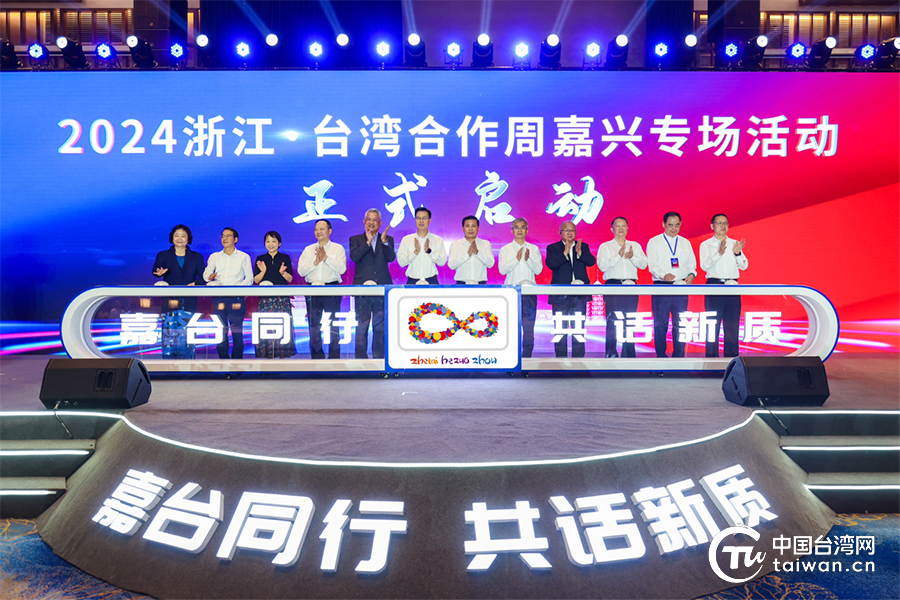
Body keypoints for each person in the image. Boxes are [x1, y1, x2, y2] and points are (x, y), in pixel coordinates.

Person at [646, 212, 697, 358]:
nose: (674, 228)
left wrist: (691, 275)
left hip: (681, 287)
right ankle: (661, 357)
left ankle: (679, 357)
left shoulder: (685, 242)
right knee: (660, 324)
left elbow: (692, 264)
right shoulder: (654, 242)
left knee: (680, 324)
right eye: (670, 225)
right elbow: (652, 265)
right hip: (662, 286)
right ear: (663, 224)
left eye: (677, 225)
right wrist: (664, 275)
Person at [597, 216, 648, 358]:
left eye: (623, 226)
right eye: (618, 226)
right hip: (613, 285)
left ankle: (629, 353)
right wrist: (618, 256)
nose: (621, 229)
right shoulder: (605, 246)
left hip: (631, 286)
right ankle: (611, 352)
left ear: (627, 228)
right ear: (612, 229)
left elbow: (644, 265)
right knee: (612, 320)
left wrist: (632, 257)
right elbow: (602, 266)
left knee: (630, 320)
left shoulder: (635, 246)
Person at [546, 220, 596, 358]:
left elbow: (591, 262)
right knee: (560, 329)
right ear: (560, 233)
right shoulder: (553, 248)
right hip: (560, 295)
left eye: (572, 230)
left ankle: (578, 360)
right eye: (566, 230)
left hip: (579, 294)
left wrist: (580, 253)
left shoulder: (583, 246)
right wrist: (565, 253)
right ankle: (560, 359)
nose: (569, 233)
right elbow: (551, 264)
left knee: (578, 328)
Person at [297, 219, 347, 359]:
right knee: (314, 325)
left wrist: (326, 258)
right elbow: (301, 271)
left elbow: (342, 269)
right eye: (316, 229)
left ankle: (334, 356)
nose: (318, 232)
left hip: (332, 288)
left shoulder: (338, 248)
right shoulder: (308, 250)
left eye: (322, 229)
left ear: (329, 231)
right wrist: (315, 262)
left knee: (333, 324)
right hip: (312, 290)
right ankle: (317, 356)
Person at [700, 213, 748, 358]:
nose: (723, 226)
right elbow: (704, 266)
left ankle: (731, 361)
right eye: (719, 223)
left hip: (732, 286)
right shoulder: (706, 245)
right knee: (712, 326)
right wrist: (719, 253)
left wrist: (738, 253)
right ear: (712, 226)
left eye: (725, 223)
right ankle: (711, 361)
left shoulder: (734, 243)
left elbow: (744, 266)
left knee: (732, 325)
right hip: (714, 285)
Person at [349, 209, 395, 359]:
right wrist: (367, 243)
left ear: (380, 223)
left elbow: (391, 258)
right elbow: (355, 257)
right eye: (369, 219)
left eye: (375, 220)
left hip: (382, 289)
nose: (371, 222)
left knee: (380, 326)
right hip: (362, 290)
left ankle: (379, 358)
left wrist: (384, 242)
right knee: (361, 326)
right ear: (364, 222)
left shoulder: (387, 239)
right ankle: (360, 359)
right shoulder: (355, 239)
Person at [203, 227, 253, 359]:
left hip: (236, 299)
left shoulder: (244, 257)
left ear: (235, 239)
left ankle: (237, 361)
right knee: (221, 331)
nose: (224, 238)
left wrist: (238, 289)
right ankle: (223, 361)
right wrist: (209, 277)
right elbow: (206, 274)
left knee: (237, 332)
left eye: (228, 236)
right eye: (223, 236)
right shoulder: (215, 256)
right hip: (219, 298)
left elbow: (249, 278)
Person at [498, 218, 543, 357]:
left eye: (523, 227)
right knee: (511, 327)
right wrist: (516, 259)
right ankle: (511, 357)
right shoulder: (505, 249)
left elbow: (538, 270)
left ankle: (527, 357)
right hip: (511, 295)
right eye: (516, 227)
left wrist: (528, 259)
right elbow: (502, 270)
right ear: (512, 230)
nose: (519, 230)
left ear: (527, 230)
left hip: (529, 294)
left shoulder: (534, 249)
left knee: (529, 328)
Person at [253, 231, 296, 359]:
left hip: (281, 297)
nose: (270, 244)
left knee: (282, 324)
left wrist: (282, 272)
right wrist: (263, 271)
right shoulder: (261, 259)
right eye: (268, 241)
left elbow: (290, 279)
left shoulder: (285, 258)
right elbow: (256, 280)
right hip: (265, 297)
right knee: (266, 324)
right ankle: (266, 353)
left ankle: (282, 352)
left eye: (273, 241)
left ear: (279, 244)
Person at [151, 224, 205, 313]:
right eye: (176, 236)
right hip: (170, 300)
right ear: (172, 238)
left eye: (183, 236)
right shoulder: (163, 255)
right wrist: (158, 272)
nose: (179, 238)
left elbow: (204, 276)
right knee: (170, 322)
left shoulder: (197, 257)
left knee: (188, 322)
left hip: (189, 300)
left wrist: (196, 283)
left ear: (188, 238)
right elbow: (155, 270)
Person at [396, 206, 447, 284]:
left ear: (429, 220)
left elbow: (442, 262)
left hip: (431, 281)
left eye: (424, 218)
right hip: (412, 281)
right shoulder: (407, 240)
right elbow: (401, 263)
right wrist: (415, 253)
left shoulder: (437, 240)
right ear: (415, 220)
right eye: (418, 218)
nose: (421, 221)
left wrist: (430, 252)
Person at [448, 215, 495, 284]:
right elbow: (451, 265)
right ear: (463, 228)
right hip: (461, 285)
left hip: (481, 285)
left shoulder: (485, 244)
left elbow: (490, 264)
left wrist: (477, 253)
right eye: (467, 226)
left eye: (473, 226)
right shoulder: (456, 245)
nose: (470, 229)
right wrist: (467, 254)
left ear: (478, 228)